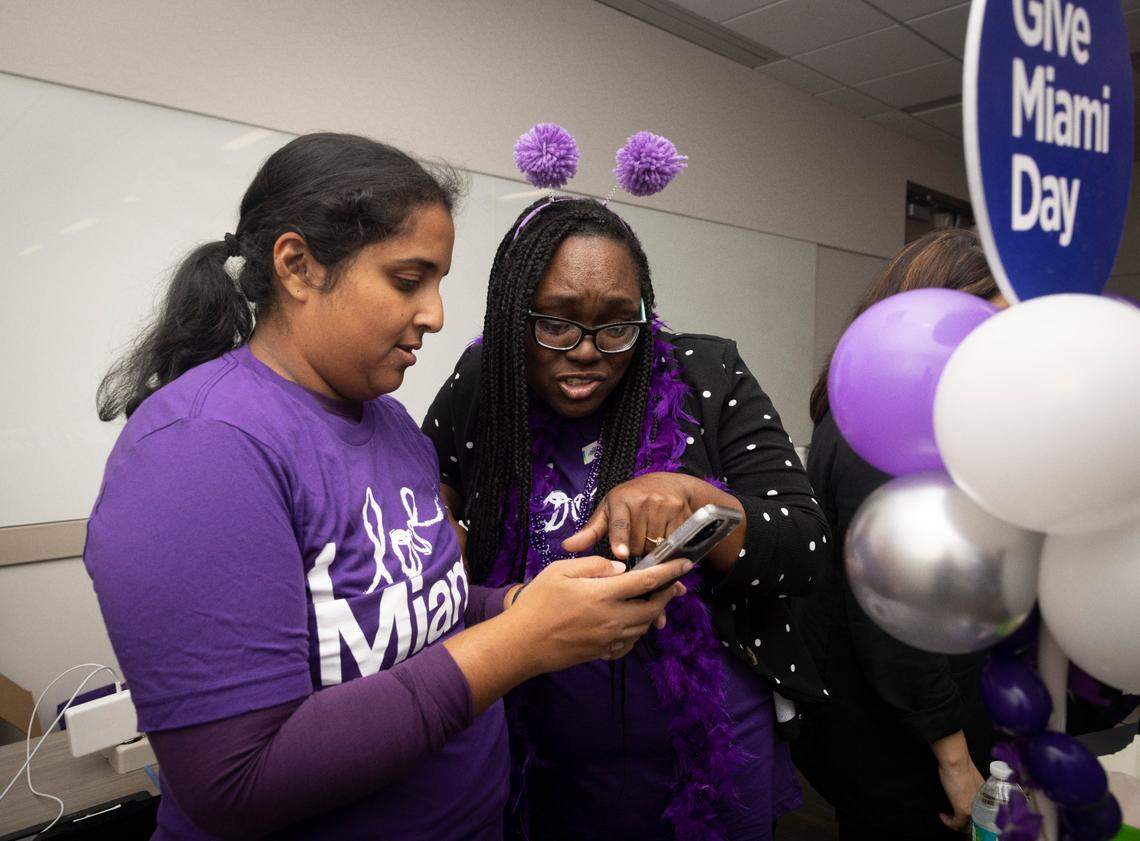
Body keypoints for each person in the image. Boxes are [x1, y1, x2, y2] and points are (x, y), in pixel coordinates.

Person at [83, 134, 688, 840]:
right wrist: (521, 641)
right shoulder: (201, 448)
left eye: (438, 283)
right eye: (408, 280)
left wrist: (522, 604)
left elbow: (414, 614)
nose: (435, 313)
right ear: (298, 266)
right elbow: (237, 781)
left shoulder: (394, 425)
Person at [422, 196, 831, 840]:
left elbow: (805, 549)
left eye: (618, 325)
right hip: (540, 761)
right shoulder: (484, 380)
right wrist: (442, 527)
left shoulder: (707, 376)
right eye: (554, 324)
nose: (588, 351)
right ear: (510, 318)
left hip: (710, 758)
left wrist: (698, 499)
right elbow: (428, 492)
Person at [791, 229, 1003, 839]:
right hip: (902, 745)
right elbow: (893, 620)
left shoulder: (906, 415)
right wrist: (956, 762)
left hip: (920, 721)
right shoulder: (880, 428)